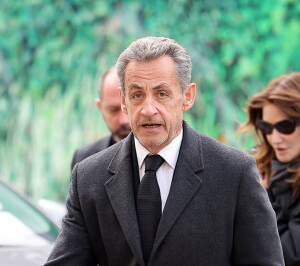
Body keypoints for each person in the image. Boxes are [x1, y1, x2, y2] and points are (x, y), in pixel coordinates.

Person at [45, 37, 284, 266]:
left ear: (187, 96)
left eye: (162, 93)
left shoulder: (234, 173)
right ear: (124, 100)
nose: (148, 109)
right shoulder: (88, 177)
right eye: (137, 95)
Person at [239, 72, 300, 266]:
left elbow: (288, 255)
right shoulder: (257, 164)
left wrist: (261, 198)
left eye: (286, 127)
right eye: (267, 127)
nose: (275, 138)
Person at [70, 66, 131, 170]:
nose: (124, 120)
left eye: (129, 108)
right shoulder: (84, 160)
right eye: (113, 110)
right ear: (100, 107)